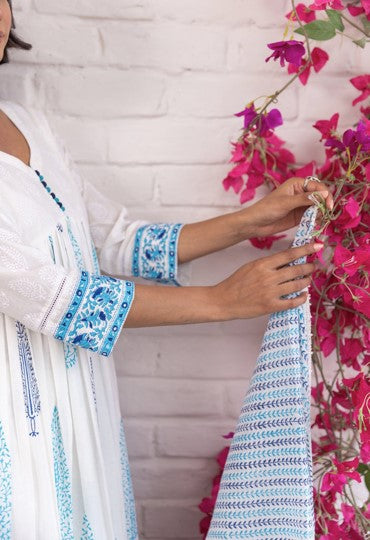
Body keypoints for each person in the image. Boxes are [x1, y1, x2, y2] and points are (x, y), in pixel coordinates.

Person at [0, 1, 333, 539]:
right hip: (19, 421)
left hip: (83, 405)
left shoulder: (29, 124)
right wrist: (222, 301)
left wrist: (251, 219)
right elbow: (56, 297)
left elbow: (114, 240)